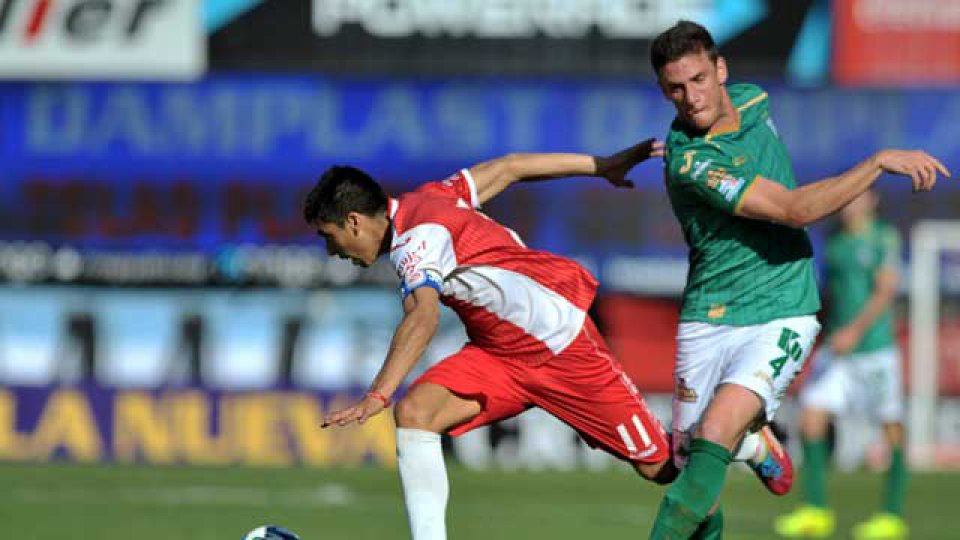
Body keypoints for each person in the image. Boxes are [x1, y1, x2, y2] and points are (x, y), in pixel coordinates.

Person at [306, 139, 786, 540]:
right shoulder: (432, 198)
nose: (334, 252)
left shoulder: (415, 242)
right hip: (497, 354)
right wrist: (601, 165)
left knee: (661, 466)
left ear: (353, 221)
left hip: (562, 348)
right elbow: (511, 168)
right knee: (415, 414)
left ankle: (744, 446)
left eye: (330, 238)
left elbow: (423, 316)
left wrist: (377, 392)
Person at [646, 20, 950, 539]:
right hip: (709, 316)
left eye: (699, 79)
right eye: (676, 88)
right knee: (686, 465)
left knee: (713, 433)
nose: (691, 97)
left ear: (722, 70)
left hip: (782, 308)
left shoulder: (754, 99)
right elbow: (792, 209)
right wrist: (877, 162)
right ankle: (752, 443)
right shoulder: (694, 161)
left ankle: (741, 440)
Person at [775, 191, 909, 540]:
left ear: (872, 201)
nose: (849, 204)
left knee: (890, 426)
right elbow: (830, 292)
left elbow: (885, 290)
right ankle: (815, 511)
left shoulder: (883, 237)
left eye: (857, 198)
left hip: (875, 350)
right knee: (812, 417)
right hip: (836, 347)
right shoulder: (834, 240)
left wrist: (855, 330)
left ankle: (892, 515)